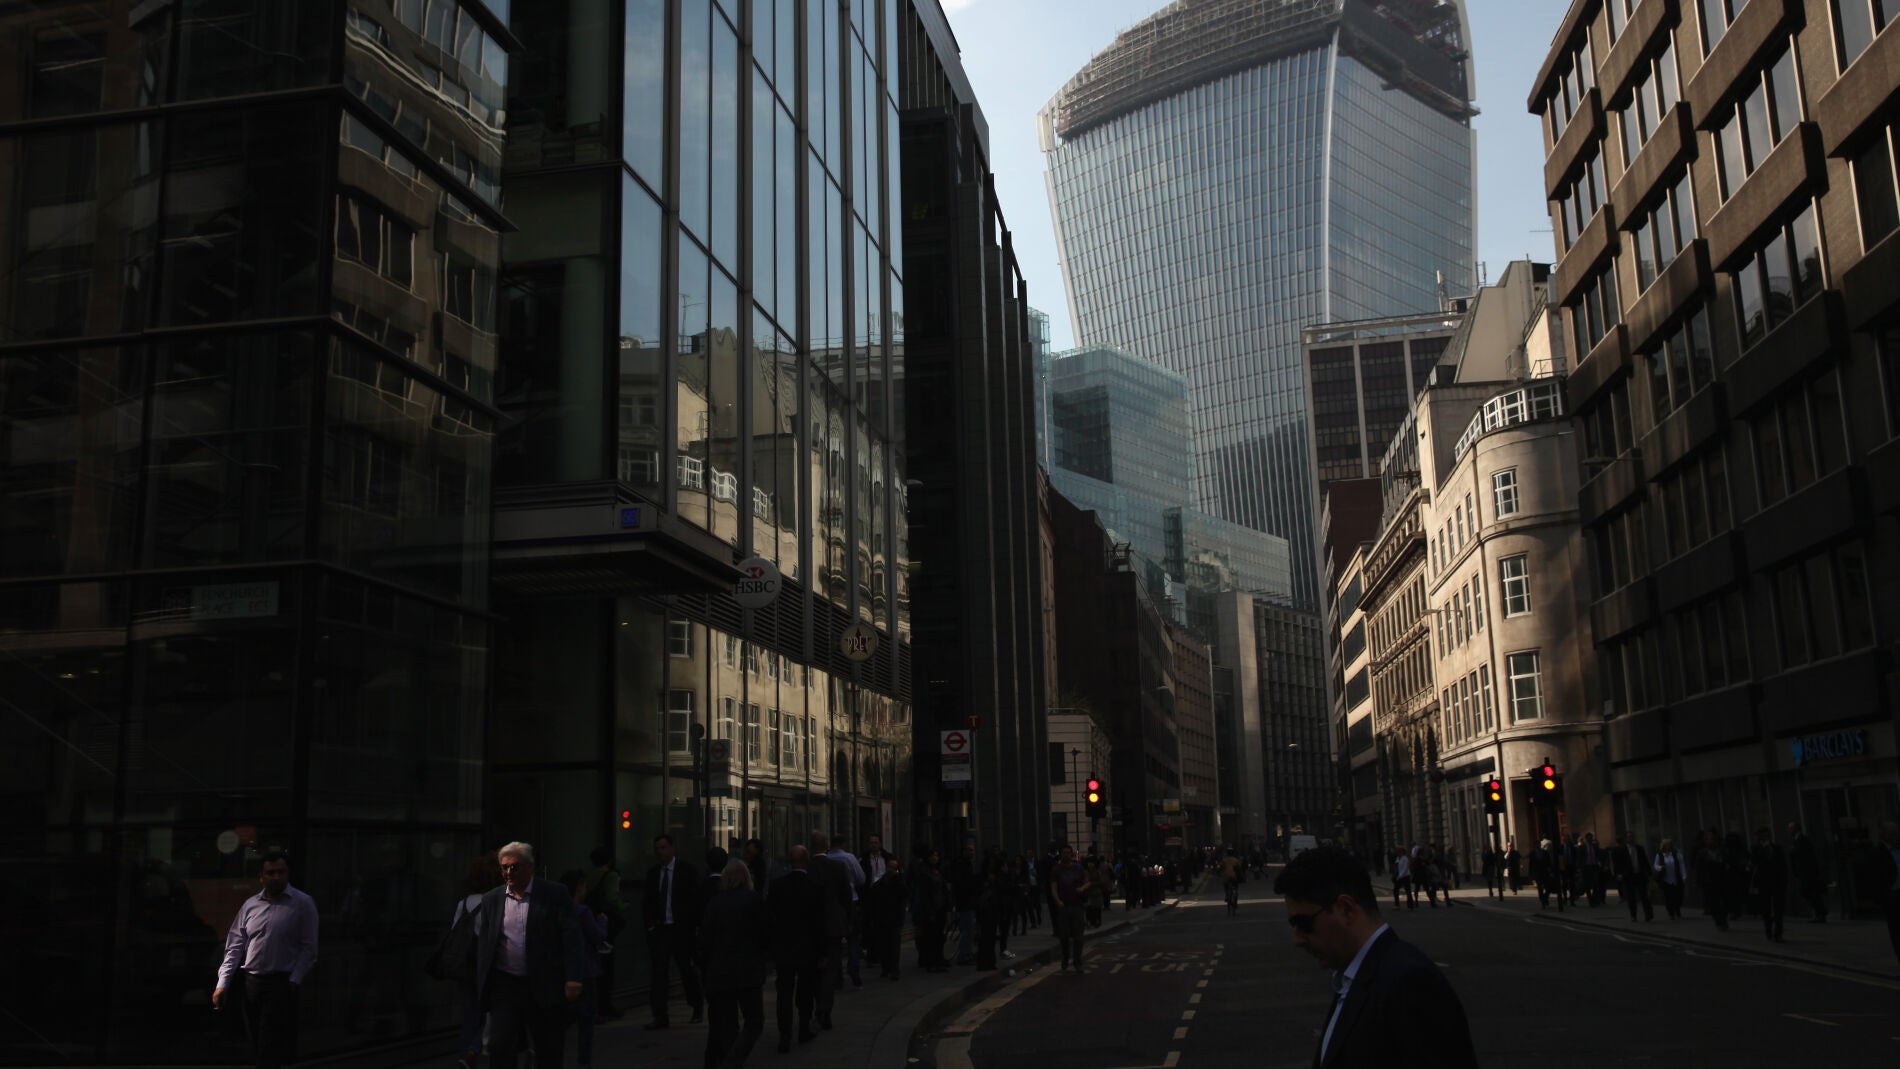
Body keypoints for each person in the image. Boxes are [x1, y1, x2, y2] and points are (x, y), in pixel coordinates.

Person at [1274, 847, 1477, 1069]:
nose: (1298, 939)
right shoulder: (1354, 977)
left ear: (1346, 910)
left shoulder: (1410, 983)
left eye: (1304, 924)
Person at [474, 842, 586, 1069]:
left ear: (529, 867)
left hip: (544, 983)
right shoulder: (492, 900)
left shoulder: (554, 894)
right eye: (504, 867)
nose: (508, 873)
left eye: (514, 867)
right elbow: (486, 946)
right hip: (506, 985)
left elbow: (571, 937)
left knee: (548, 1048)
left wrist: (573, 976)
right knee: (501, 1045)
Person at [213, 851, 319, 1069]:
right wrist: (222, 984)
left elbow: (309, 947)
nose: (276, 877)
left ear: (287, 874)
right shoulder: (250, 905)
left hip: (280, 981)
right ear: (261, 876)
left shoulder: (302, 904)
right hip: (251, 981)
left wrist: (294, 979)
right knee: (255, 1038)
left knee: (269, 1042)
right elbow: (235, 945)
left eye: (280, 872)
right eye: (271, 872)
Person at [698, 858, 768, 1069]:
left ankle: (730, 1059)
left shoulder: (715, 902)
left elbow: (705, 939)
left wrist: (705, 967)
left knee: (728, 1023)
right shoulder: (753, 899)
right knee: (754, 1020)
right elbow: (765, 933)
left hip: (720, 972)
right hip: (747, 970)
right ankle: (733, 1061)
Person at [643, 833, 705, 1029]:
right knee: (659, 972)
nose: (660, 852)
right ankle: (660, 1015)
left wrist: (693, 925)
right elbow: (648, 901)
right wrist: (651, 925)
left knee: (686, 969)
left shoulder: (687, 871)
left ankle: (696, 1005)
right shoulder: (653, 874)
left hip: (681, 929)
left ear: (672, 848)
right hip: (661, 929)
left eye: (663, 848)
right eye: (658, 848)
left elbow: (695, 900)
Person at [766, 846, 825, 1051]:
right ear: (806, 861)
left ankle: (784, 1035)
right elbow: (819, 924)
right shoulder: (814, 887)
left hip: (784, 947)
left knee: (784, 991)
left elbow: (770, 917)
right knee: (805, 990)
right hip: (807, 948)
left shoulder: (777, 886)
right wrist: (821, 951)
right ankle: (803, 1028)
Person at [449, 856, 497, 1069]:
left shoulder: (464, 903)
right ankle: (474, 1049)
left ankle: (465, 1054)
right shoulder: (495, 902)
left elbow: (454, 933)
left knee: (470, 1016)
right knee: (495, 1012)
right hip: (488, 966)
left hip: (465, 966)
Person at [559, 869, 610, 1069]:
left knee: (563, 1017)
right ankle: (583, 1059)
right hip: (585, 970)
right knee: (586, 1019)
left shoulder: (558, 910)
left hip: (563, 970)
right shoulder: (582, 912)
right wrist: (603, 922)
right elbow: (598, 936)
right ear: (579, 887)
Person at [807, 831, 852, 1028]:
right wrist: (849, 923)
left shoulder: (806, 868)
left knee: (813, 970)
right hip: (833, 926)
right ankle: (824, 1009)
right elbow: (846, 897)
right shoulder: (837, 867)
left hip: (811, 928)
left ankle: (817, 1006)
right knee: (831, 970)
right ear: (826, 846)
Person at [581, 847, 626, 1019]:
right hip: (604, 921)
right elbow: (612, 898)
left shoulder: (589, 876)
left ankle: (595, 1006)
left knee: (595, 962)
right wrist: (623, 907)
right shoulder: (611, 876)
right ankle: (604, 1006)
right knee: (607, 964)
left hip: (589, 920)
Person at [820, 833, 867, 987]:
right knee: (853, 937)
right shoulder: (849, 858)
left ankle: (837, 974)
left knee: (835, 940)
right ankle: (853, 967)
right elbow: (861, 879)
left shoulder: (826, 859)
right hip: (850, 902)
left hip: (831, 904)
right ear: (844, 844)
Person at [865, 854, 908, 980]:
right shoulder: (879, 884)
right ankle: (886, 968)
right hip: (881, 919)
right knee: (883, 945)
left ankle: (894, 969)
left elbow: (904, 895)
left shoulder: (899, 883)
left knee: (894, 946)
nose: (891, 870)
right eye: (889, 867)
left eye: (894, 868)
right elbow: (872, 901)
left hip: (894, 919)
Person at [1050, 845, 1092, 972]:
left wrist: (1082, 888)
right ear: (1061, 854)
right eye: (1064, 852)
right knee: (1064, 936)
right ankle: (1065, 958)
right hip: (1063, 906)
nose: (1066, 855)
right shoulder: (1056, 869)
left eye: (1068, 853)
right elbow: (1053, 886)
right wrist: (1057, 901)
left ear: (1072, 854)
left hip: (1077, 906)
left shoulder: (1078, 868)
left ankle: (1077, 961)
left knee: (1078, 936)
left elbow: (1088, 881)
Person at [911, 848, 950, 973]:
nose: (935, 858)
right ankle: (931, 962)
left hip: (940, 907)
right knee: (930, 936)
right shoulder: (923, 872)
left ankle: (938, 960)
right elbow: (923, 894)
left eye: (936, 855)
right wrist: (927, 911)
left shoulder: (938, 871)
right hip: (930, 910)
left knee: (939, 936)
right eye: (933, 855)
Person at [1751, 826, 1787, 943]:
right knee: (1765, 909)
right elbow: (1754, 864)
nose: (1766, 837)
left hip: (1776, 882)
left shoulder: (1776, 848)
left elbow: (1782, 865)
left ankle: (1778, 933)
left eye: (1767, 834)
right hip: (1763, 883)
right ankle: (1768, 929)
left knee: (1778, 909)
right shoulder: (1756, 849)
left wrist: (1784, 880)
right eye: (1763, 835)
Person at [1788, 822, 1827, 923]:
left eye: (1791, 828)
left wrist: (1813, 871)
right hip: (1802, 872)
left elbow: (1808, 856)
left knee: (1810, 892)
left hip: (1807, 872)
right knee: (1808, 892)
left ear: (1796, 829)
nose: (1789, 830)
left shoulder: (1803, 840)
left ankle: (1820, 912)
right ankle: (1820, 912)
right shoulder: (1795, 841)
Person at [1610, 832, 1652, 922]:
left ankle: (1648, 914)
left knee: (1644, 895)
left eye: (1632, 837)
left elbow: (1645, 861)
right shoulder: (1621, 850)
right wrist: (1618, 874)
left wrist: (1649, 872)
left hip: (1639, 874)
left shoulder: (1639, 848)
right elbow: (1618, 863)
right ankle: (1633, 915)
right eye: (1629, 837)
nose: (1631, 839)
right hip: (1628, 876)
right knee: (1631, 897)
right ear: (1626, 839)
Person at [1875, 821, 1900, 969]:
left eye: (1897, 833)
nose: (1897, 836)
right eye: (1894, 834)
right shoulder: (1879, 853)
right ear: (1885, 836)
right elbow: (1876, 879)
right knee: (1897, 931)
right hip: (1893, 896)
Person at [1694, 829, 1728, 931]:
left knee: (1725, 901)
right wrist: (1699, 881)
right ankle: (1719, 922)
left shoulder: (1721, 851)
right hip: (1708, 881)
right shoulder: (1702, 853)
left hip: (1722, 880)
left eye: (1712, 839)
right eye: (1708, 839)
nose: (1710, 841)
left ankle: (1723, 919)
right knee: (1713, 903)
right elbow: (1698, 868)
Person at [1652, 838, 1688, 920]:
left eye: (1669, 845)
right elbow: (1655, 865)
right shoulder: (1660, 855)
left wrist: (1684, 876)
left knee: (1678, 896)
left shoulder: (1677, 854)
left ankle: (1677, 909)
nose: (1668, 846)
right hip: (1666, 879)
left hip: (1676, 878)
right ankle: (1671, 912)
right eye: (1666, 845)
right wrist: (1660, 867)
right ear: (1663, 846)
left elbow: (1682, 866)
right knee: (1668, 897)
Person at [1220, 850, 1242, 915]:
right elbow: (1239, 868)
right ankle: (1235, 900)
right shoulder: (1235, 860)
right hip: (1234, 876)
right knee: (1236, 888)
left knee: (1225, 886)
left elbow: (1221, 867)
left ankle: (1227, 896)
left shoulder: (1224, 860)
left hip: (1226, 876)